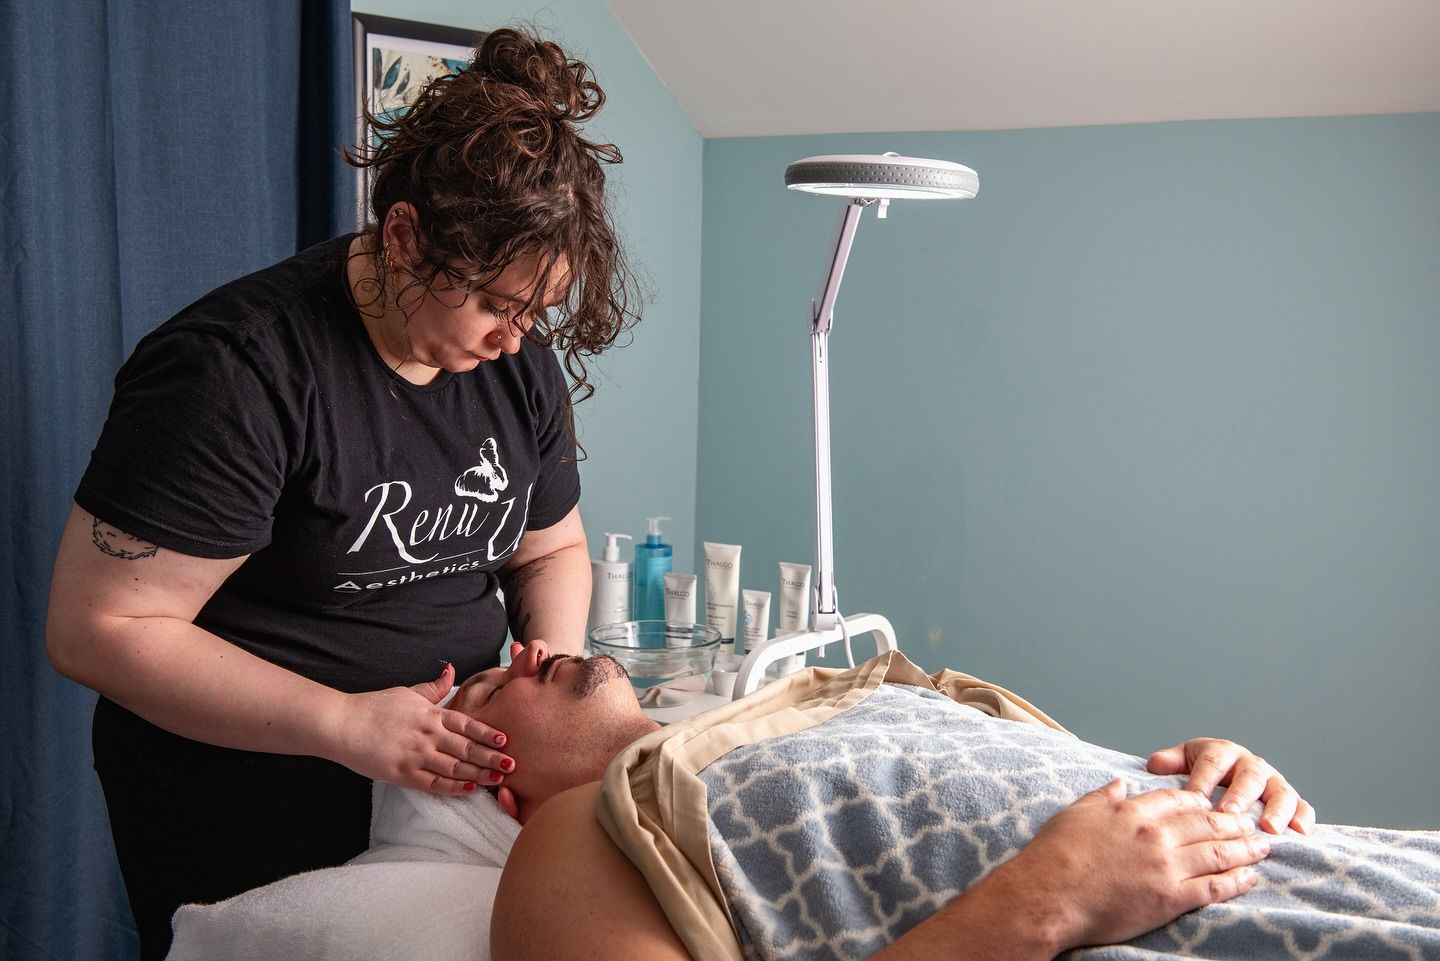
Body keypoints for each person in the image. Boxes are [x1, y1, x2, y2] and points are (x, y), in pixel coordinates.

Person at [44, 27, 638, 960]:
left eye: (536, 311)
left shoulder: (512, 363)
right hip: (248, 795)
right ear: (403, 237)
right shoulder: (237, 373)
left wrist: (545, 679)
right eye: (495, 304)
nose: (516, 339)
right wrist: (344, 722)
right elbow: (98, 629)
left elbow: (551, 548)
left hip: (439, 805)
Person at [449, 640, 1328, 961]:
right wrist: (1048, 899)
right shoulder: (574, 832)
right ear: (499, 786)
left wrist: (1202, 772)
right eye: (488, 688)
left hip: (1289, 855)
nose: (526, 649)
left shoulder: (790, 706)